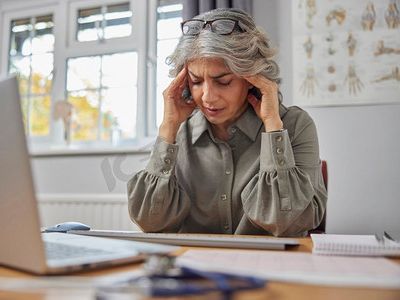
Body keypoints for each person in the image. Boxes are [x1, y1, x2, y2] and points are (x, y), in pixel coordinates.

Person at [127, 8, 327, 237]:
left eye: (223, 81)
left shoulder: (295, 125)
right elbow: (151, 224)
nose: (207, 97)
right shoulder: (179, 132)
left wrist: (273, 128)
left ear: (252, 77)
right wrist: (167, 130)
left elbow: (285, 223)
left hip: (268, 266)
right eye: (196, 81)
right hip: (195, 267)